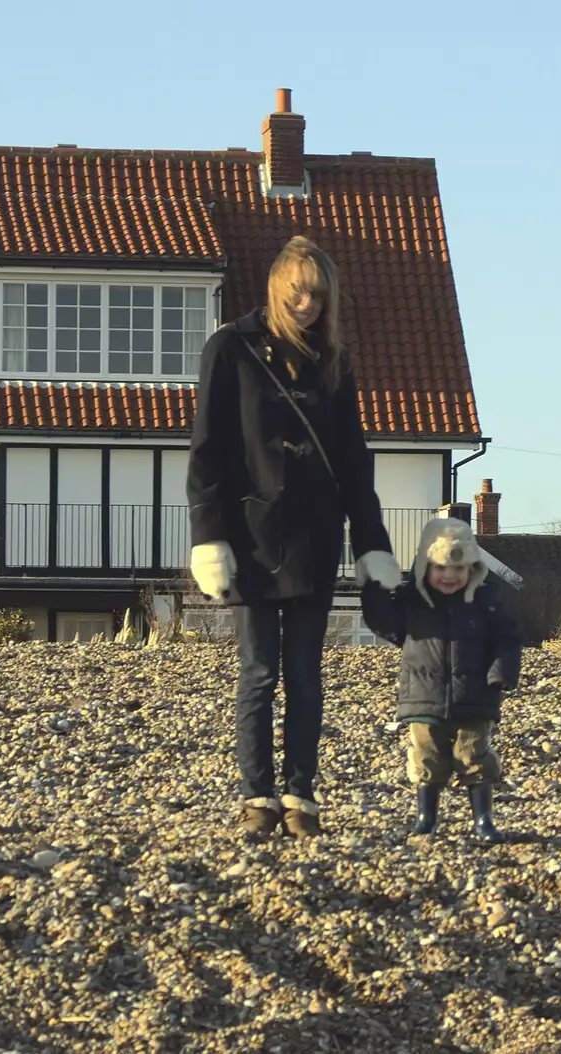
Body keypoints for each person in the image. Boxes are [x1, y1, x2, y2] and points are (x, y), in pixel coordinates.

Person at [187, 236, 401, 839]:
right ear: (277, 287)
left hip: (315, 535)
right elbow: (208, 452)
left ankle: (300, 796)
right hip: (251, 539)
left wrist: (372, 545)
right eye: (296, 290)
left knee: (307, 675)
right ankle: (256, 797)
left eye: (317, 293)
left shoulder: (334, 361)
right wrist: (210, 535)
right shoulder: (229, 349)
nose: (306, 302)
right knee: (258, 673)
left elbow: (355, 463)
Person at [361, 517, 522, 843]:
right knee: (426, 758)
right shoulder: (411, 602)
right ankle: (426, 819)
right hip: (423, 696)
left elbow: (507, 638)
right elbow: (384, 623)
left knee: (474, 756)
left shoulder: (486, 602)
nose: (450, 576)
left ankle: (483, 820)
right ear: (425, 567)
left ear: (473, 569)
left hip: (475, 697)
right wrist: (373, 590)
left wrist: (502, 672)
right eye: (440, 568)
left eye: (459, 569)